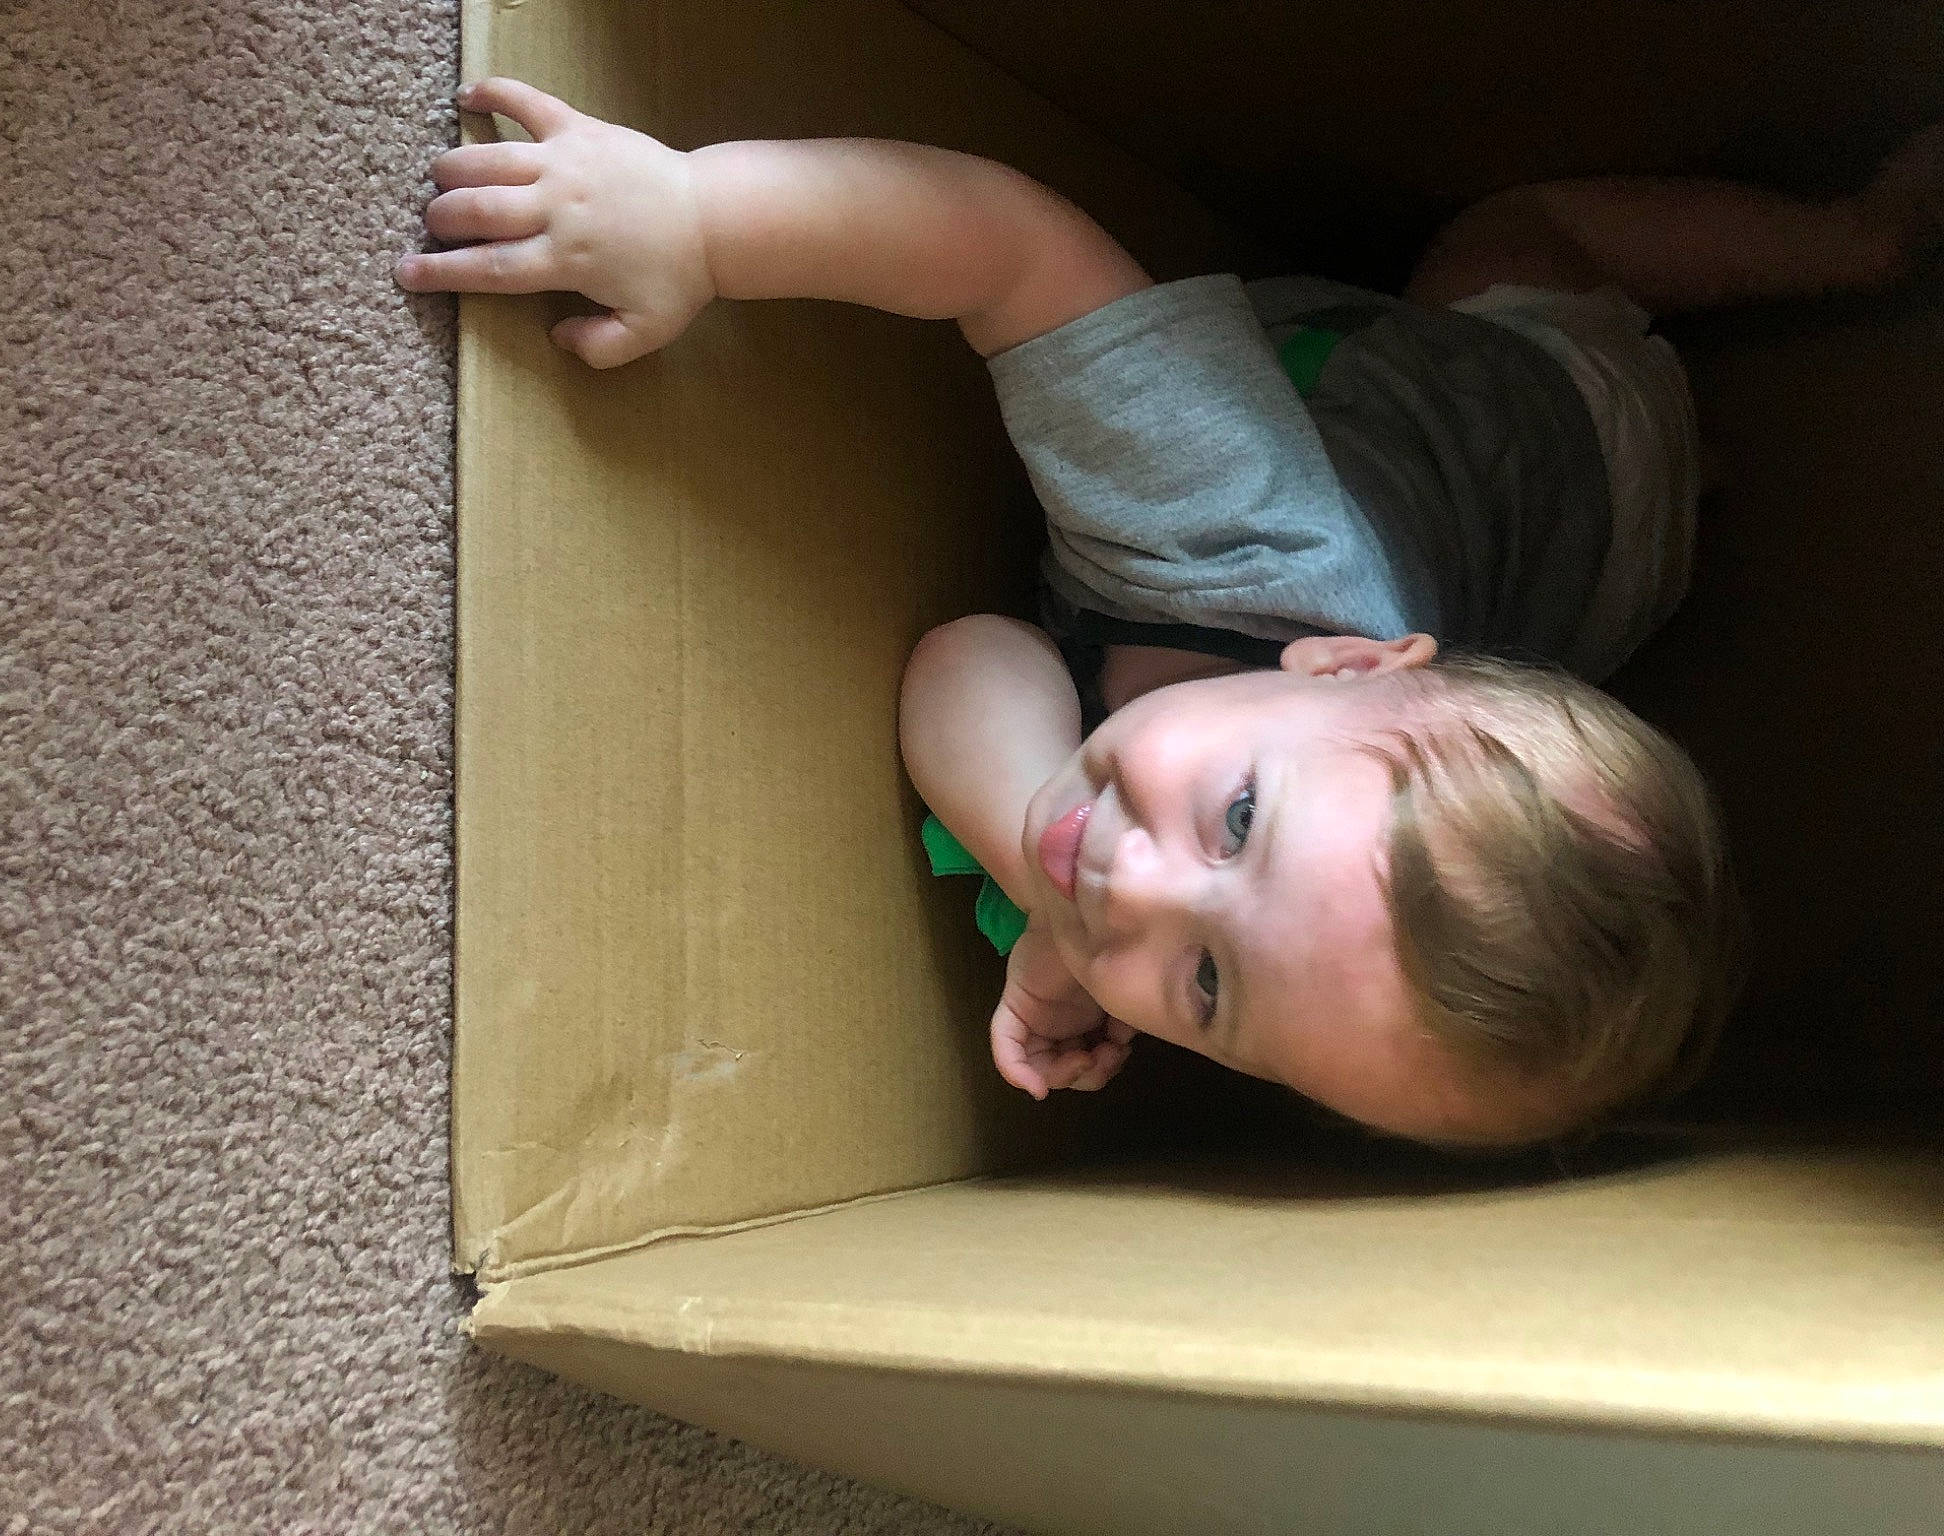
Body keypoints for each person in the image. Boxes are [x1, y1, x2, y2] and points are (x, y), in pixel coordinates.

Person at [397, 78, 1941, 1149]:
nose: (1133, 887)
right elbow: (1004, 247)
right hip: (1557, 424)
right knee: (1512, 234)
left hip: (1587, 607)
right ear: (1342, 656)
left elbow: (966, 659)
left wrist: (1032, 875)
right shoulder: (1237, 517)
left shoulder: (1130, 877)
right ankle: (1858, 239)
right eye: (1242, 817)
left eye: (1209, 989)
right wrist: (694, 218)